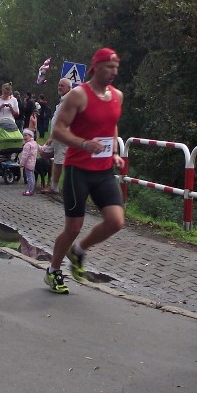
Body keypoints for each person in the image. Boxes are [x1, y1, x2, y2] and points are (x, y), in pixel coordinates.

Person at [44, 48, 125, 294]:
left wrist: (114, 153)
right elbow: (58, 130)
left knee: (116, 221)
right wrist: (83, 144)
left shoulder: (117, 96)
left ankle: (78, 251)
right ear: (96, 66)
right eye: (109, 67)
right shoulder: (78, 95)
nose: (113, 72)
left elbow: (111, 126)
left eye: (116, 67)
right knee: (73, 227)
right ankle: (53, 270)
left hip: (103, 171)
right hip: (78, 169)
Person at [43, 78, 72, 194]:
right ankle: (52, 181)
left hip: (62, 137)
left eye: (63, 86)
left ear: (69, 88)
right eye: (59, 85)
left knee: (59, 161)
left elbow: (64, 121)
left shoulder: (69, 101)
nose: (59, 87)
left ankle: (55, 187)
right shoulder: (63, 100)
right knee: (44, 152)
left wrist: (53, 136)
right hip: (56, 137)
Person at [19, 128, 39, 196]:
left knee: (29, 178)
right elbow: (40, 148)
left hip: (28, 164)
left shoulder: (27, 145)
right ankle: (32, 189)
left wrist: (22, 164)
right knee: (32, 176)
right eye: (23, 135)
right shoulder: (34, 143)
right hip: (33, 163)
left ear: (30, 135)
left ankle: (30, 190)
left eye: (26, 135)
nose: (24, 137)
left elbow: (25, 156)